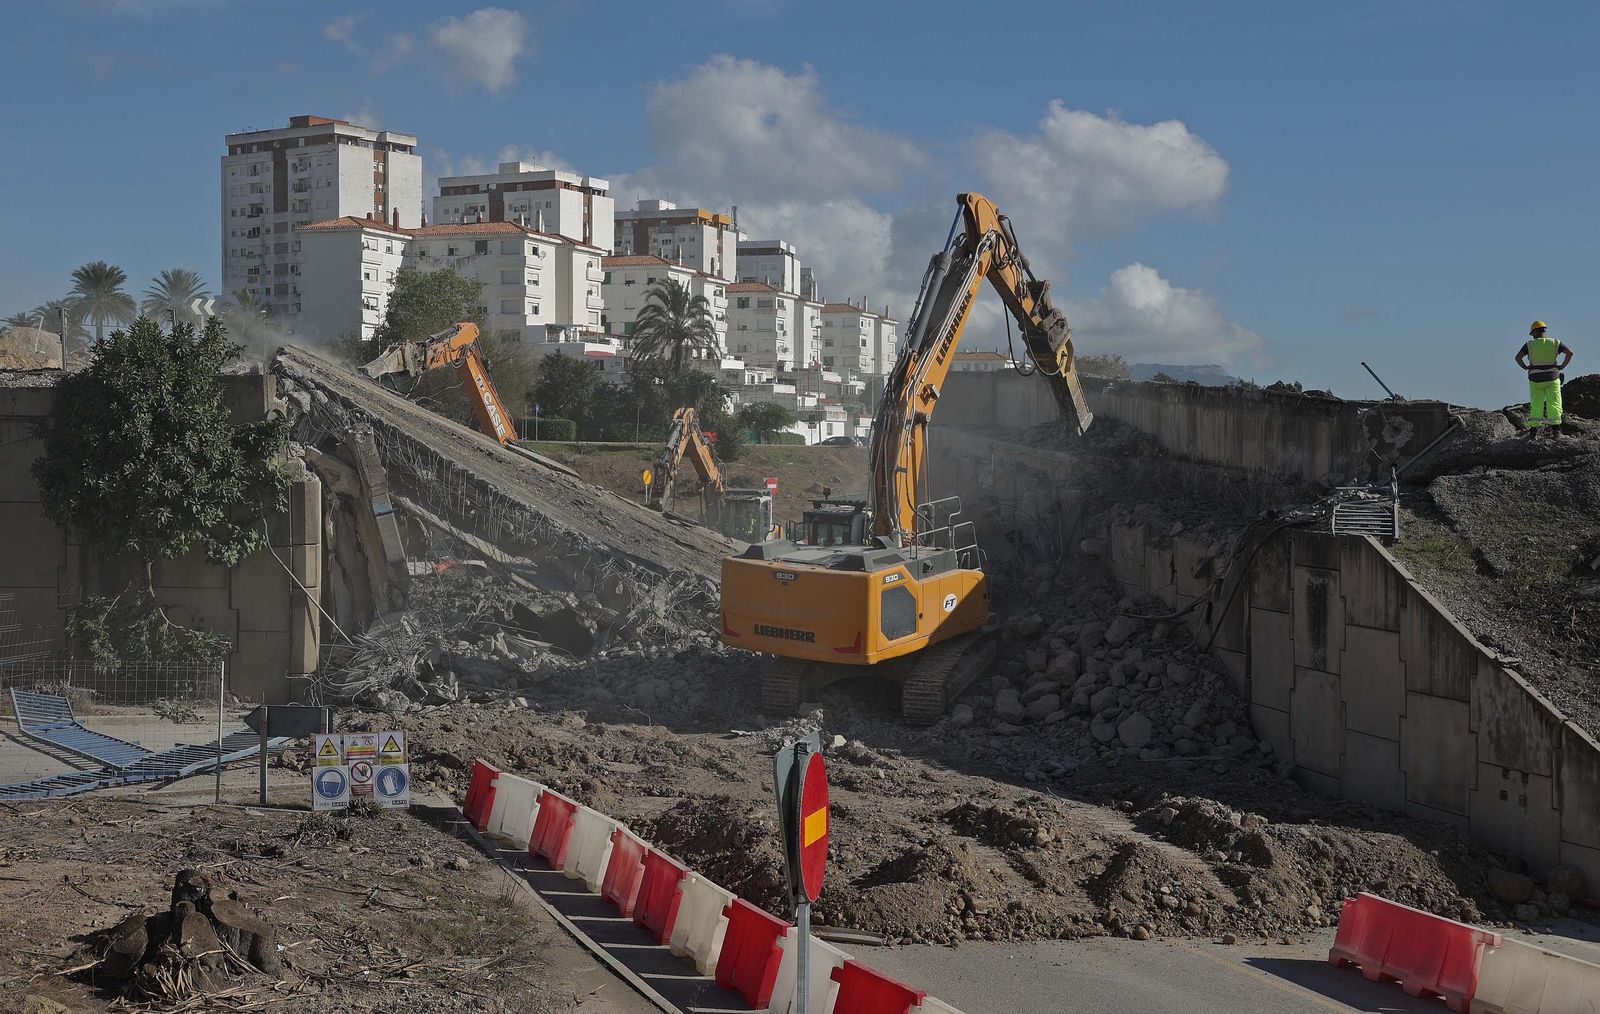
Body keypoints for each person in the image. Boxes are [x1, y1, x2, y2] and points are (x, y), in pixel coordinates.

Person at [1515, 321, 1574, 436]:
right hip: (1552, 378)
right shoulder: (1555, 342)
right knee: (1554, 403)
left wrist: (1525, 367)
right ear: (1543, 330)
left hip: (1535, 379)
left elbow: (1518, 358)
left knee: (1536, 403)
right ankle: (1556, 431)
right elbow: (1570, 353)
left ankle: (1533, 432)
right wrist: (1562, 366)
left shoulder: (1529, 345)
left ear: (1534, 332)